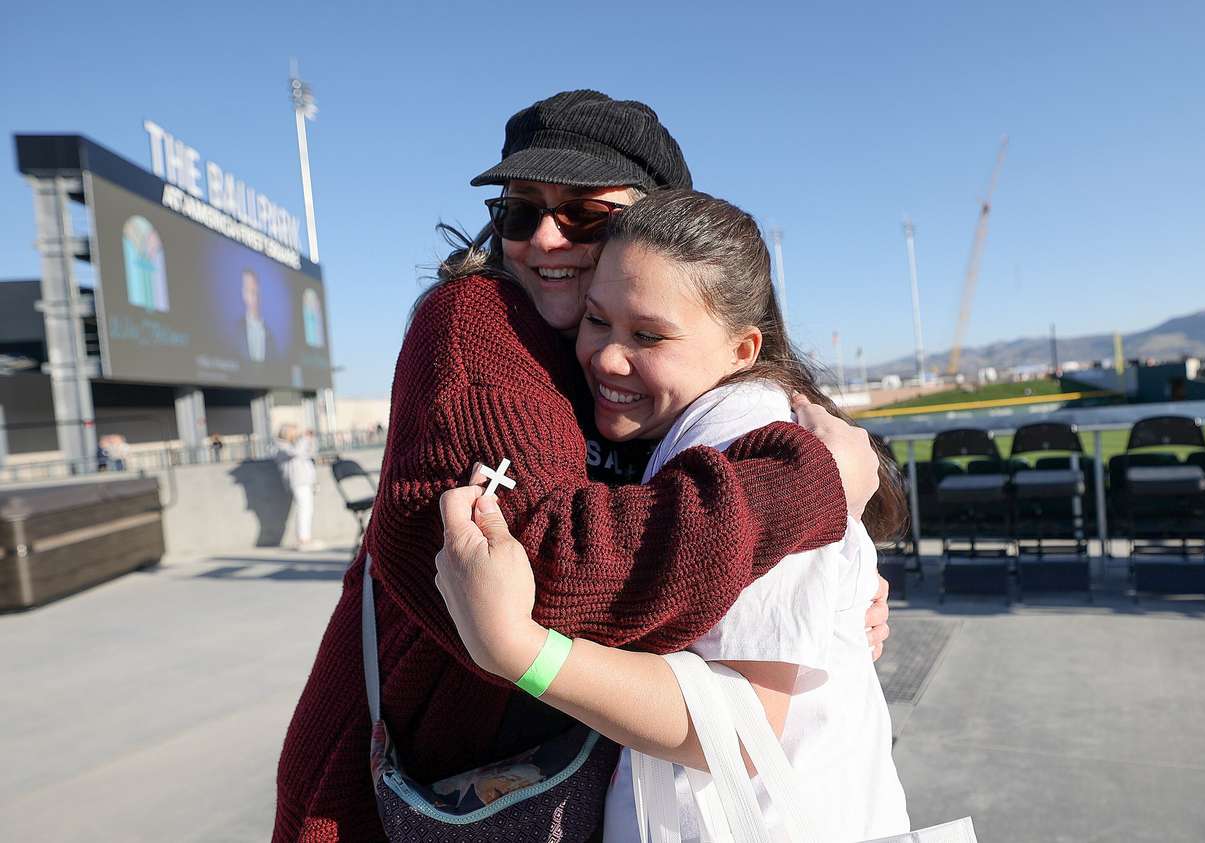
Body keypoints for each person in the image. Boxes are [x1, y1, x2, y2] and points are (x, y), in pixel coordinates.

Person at [274, 90, 892, 841]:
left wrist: (820, 606)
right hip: (404, 791)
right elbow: (543, 570)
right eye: (519, 212)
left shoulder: (641, 379)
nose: (544, 239)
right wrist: (807, 487)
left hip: (536, 790)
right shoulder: (476, 322)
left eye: (585, 217)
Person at [436, 190, 910, 842]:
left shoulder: (749, 442)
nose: (606, 356)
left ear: (743, 349)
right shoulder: (706, 432)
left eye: (648, 335)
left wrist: (521, 650)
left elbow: (746, 727)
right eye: (597, 321)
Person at [276, 424, 320, 551]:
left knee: (308, 509)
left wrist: (310, 440)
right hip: (298, 482)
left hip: (306, 481)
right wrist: (304, 439)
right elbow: (296, 453)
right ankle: (302, 539)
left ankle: (306, 537)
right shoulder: (282, 446)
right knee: (303, 509)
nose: (297, 434)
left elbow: (310, 453)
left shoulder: (295, 445)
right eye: (293, 432)